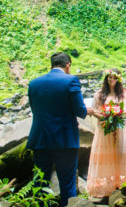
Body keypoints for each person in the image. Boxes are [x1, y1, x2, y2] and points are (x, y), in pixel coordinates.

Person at [26, 52, 97, 207]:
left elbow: (35, 110)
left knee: (40, 182)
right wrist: (87, 110)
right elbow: (79, 110)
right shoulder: (71, 80)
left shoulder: (34, 83)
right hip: (64, 140)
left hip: (40, 139)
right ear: (68, 65)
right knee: (67, 183)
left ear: (51, 65)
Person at [87, 68, 126, 198]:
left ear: (118, 79)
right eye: (109, 77)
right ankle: (105, 186)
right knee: (105, 156)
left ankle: (118, 184)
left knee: (118, 155)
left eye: (114, 77)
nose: (111, 80)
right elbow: (93, 110)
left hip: (119, 129)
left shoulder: (123, 93)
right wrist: (104, 116)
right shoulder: (100, 94)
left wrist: (115, 115)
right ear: (106, 78)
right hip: (103, 129)